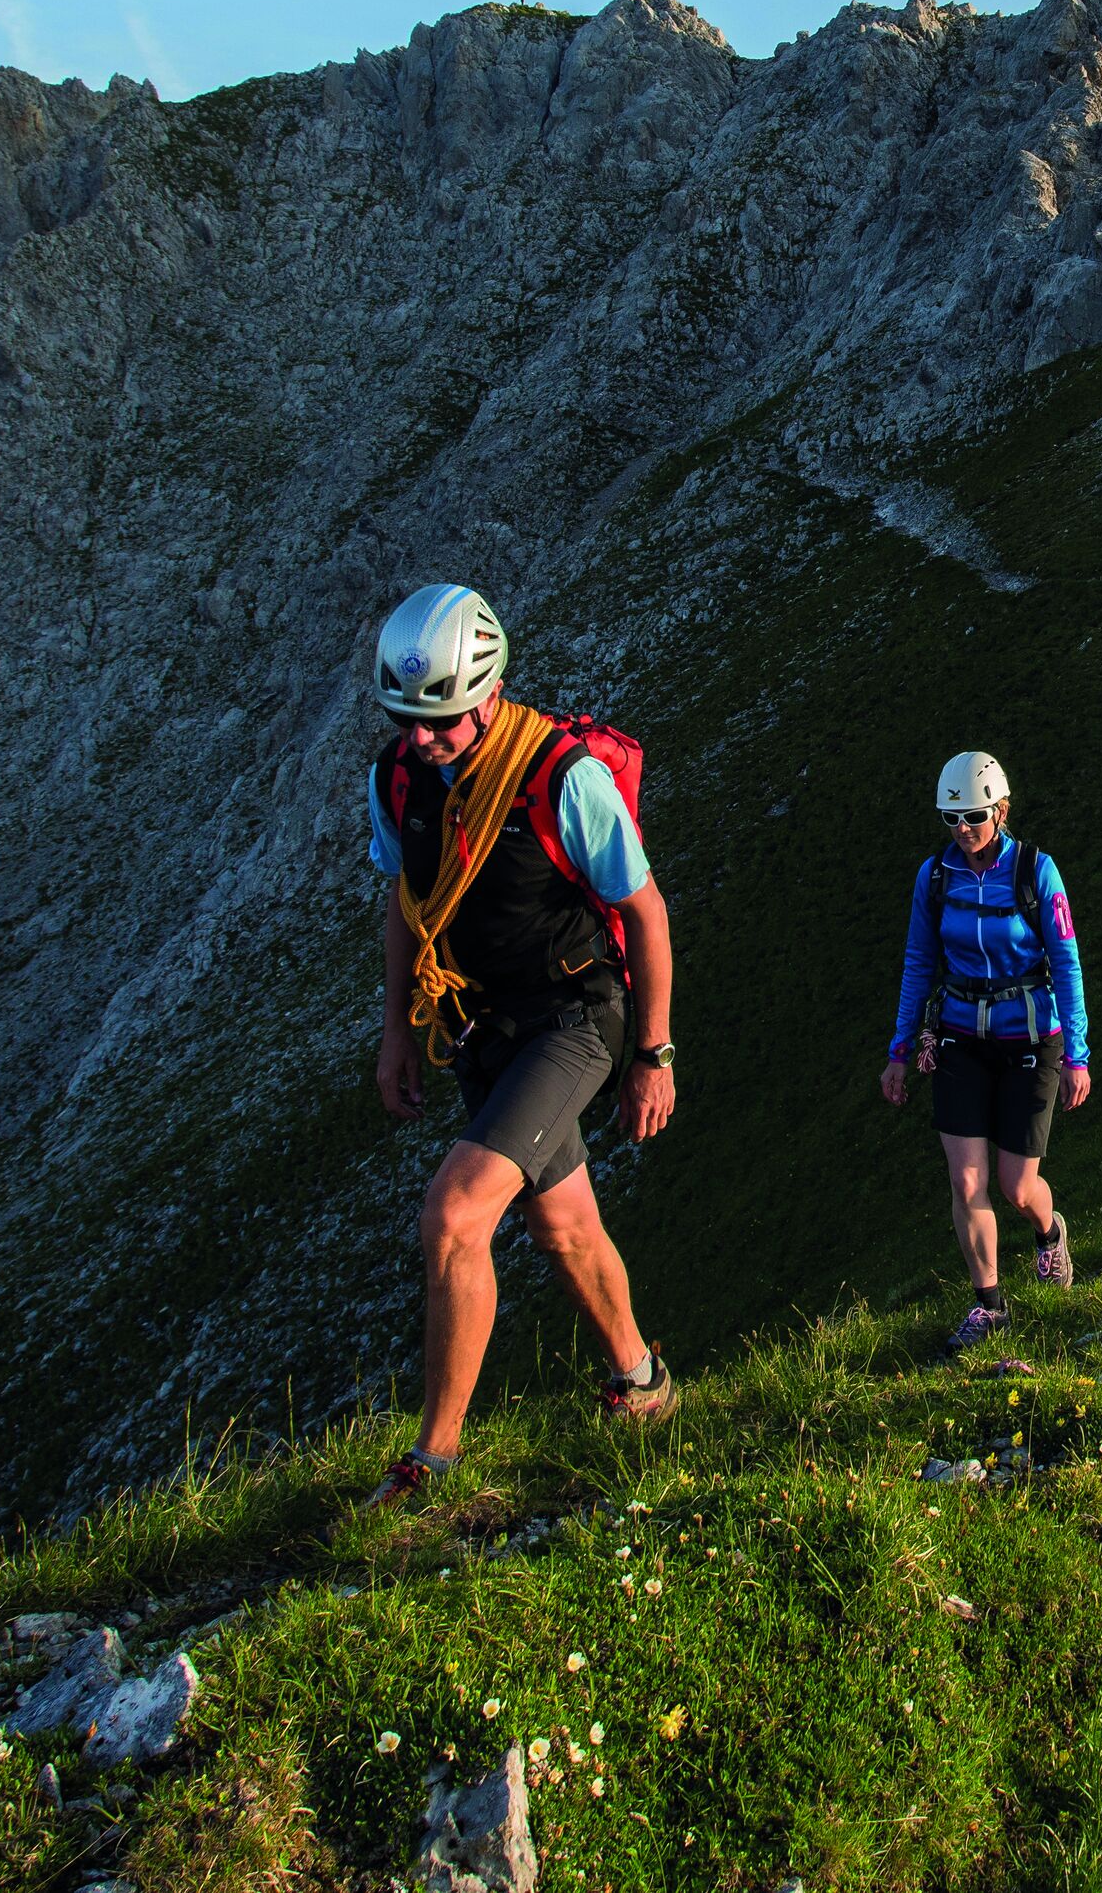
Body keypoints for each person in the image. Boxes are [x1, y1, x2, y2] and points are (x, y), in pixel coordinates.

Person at [354, 582, 679, 1511]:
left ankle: (433, 1463)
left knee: (456, 1214)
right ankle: (643, 1382)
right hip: (482, 1027)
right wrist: (397, 1034)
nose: (424, 738)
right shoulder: (400, 777)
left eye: (445, 722)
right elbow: (406, 904)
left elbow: (645, 913)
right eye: (407, 720)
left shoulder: (560, 776)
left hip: (575, 1019)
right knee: (561, 1224)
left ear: (488, 695)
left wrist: (652, 1056)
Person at [881, 751, 1089, 1352]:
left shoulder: (1036, 872)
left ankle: (1049, 1234)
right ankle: (989, 1306)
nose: (962, 831)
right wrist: (900, 1048)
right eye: (950, 819)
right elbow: (919, 962)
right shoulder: (935, 876)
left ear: (1000, 809)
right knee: (965, 1178)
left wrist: (1078, 1054)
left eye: (972, 816)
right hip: (959, 1036)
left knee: (1017, 1185)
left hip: (1030, 1036)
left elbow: (1067, 964)